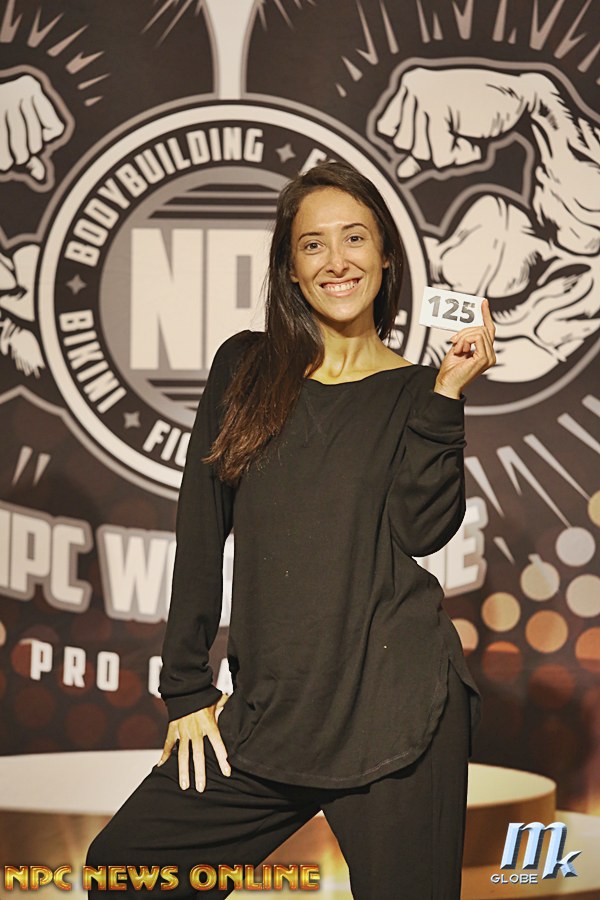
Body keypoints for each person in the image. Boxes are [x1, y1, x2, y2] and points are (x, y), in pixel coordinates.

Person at [86, 161, 496, 898]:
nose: (337, 260)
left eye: (355, 238)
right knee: (127, 874)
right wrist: (186, 688)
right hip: (272, 712)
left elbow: (423, 529)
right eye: (313, 244)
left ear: (386, 257)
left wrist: (445, 397)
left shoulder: (417, 391)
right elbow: (201, 525)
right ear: (291, 269)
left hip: (398, 711)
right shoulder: (244, 367)